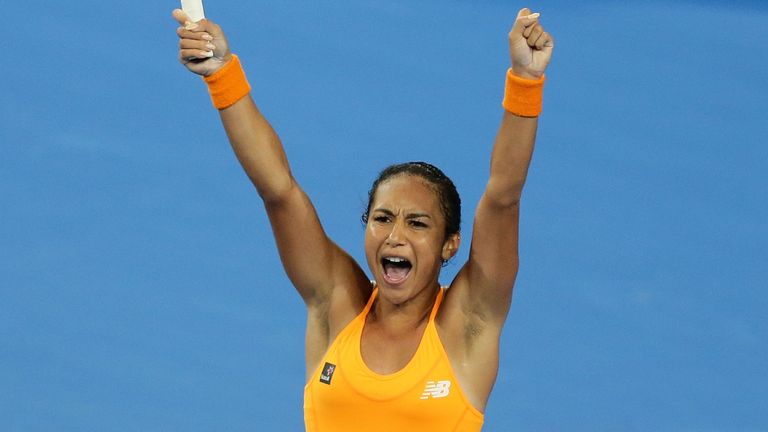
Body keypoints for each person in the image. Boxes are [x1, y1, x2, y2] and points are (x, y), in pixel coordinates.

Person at [172, 6, 553, 431]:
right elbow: (279, 191)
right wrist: (221, 73)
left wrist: (526, 81)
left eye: (418, 223)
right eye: (383, 218)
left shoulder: (469, 323)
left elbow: (502, 197)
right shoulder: (335, 303)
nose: (395, 236)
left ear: (451, 244)